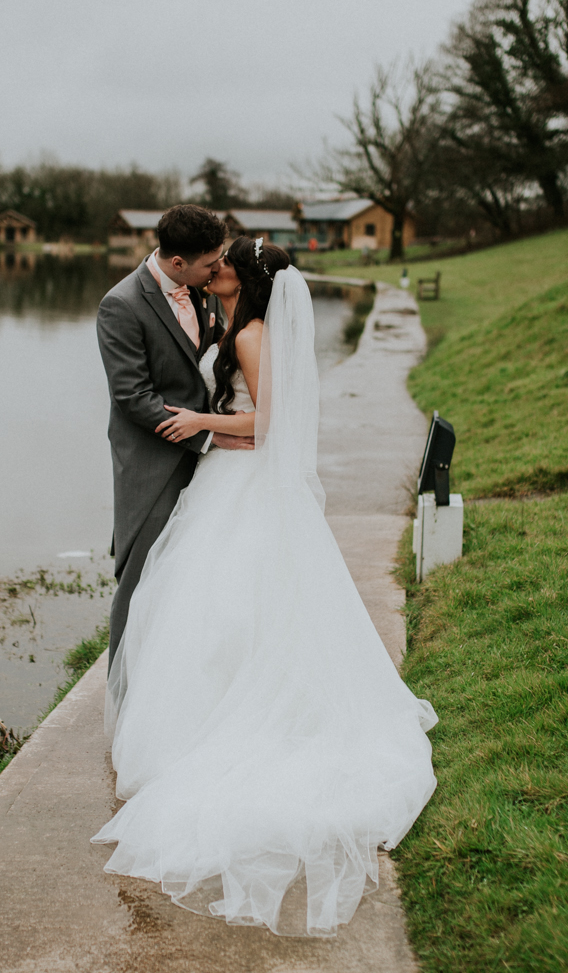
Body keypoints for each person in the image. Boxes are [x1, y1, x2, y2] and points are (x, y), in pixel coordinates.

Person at [93, 239, 438, 938]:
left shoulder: (248, 333)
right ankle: (206, 710)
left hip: (241, 482)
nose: (212, 271)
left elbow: (270, 423)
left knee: (229, 602)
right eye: (210, 262)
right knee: (216, 608)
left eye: (222, 266)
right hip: (229, 479)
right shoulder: (230, 324)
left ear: (242, 280)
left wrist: (201, 423)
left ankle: (221, 721)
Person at [95, 205, 253, 664]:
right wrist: (207, 435)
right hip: (154, 461)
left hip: (210, 458)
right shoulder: (120, 305)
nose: (217, 270)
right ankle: (122, 694)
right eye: (210, 263)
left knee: (189, 575)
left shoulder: (200, 291)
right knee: (142, 574)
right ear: (178, 263)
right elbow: (132, 396)